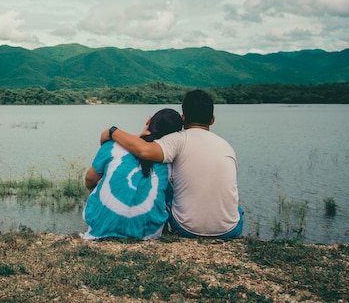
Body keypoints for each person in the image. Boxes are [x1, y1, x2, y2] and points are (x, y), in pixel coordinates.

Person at [101, 89, 243, 239]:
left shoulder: (178, 140)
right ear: (212, 119)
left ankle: (158, 225)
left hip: (186, 228)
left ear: (183, 118)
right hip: (230, 230)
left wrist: (113, 131)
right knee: (237, 209)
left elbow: (144, 151)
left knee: (164, 181)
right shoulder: (226, 146)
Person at [82, 108, 183, 240]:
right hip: (148, 233)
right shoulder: (168, 161)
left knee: (99, 181)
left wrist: (91, 189)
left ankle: (104, 221)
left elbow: (90, 178)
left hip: (102, 225)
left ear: (149, 120)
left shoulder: (112, 146)